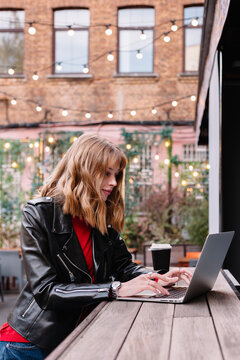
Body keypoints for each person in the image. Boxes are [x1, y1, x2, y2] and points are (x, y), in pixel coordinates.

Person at [0, 134, 191, 359]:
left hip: (78, 335)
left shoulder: (100, 219)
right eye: (107, 173)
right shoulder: (39, 214)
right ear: (84, 169)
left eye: (116, 175)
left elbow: (124, 268)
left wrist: (157, 277)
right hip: (30, 344)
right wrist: (114, 289)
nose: (113, 182)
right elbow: (46, 291)